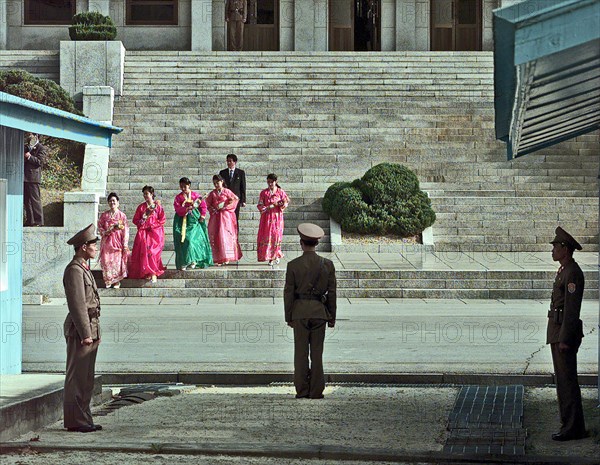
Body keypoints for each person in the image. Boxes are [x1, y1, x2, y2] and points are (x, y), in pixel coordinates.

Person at [284, 223, 336, 399]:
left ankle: (302, 389)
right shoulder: (327, 264)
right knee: (317, 353)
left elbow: (288, 293)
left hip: (299, 313)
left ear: (301, 242)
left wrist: (288, 316)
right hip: (319, 312)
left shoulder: (293, 265)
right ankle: (316, 391)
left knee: (300, 353)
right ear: (317, 243)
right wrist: (331, 316)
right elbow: (332, 293)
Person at [547, 226, 587, 441]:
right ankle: (569, 424)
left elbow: (572, 309)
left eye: (555, 246)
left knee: (567, 382)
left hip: (564, 334)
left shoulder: (572, 272)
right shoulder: (564, 269)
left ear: (565, 248)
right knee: (563, 382)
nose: (552, 250)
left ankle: (573, 428)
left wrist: (565, 338)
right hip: (557, 331)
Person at [63, 224, 102, 433]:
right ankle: (75, 420)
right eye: (93, 245)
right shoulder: (74, 270)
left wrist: (95, 333)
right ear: (84, 247)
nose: (96, 248)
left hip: (91, 328)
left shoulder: (83, 268)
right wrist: (86, 334)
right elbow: (77, 304)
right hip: (81, 330)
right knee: (76, 377)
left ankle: (84, 418)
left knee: (86, 378)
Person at [173, 177, 213, 271]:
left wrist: (202, 216)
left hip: (193, 220)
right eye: (181, 186)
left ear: (189, 185)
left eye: (185, 186)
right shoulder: (178, 197)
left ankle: (193, 259)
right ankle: (184, 261)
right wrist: (186, 209)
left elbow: (203, 205)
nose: (183, 188)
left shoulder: (195, 195)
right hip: (181, 220)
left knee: (192, 240)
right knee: (183, 240)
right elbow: (177, 208)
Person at [128, 186, 166, 283]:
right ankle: (146, 272)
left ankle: (153, 272)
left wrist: (153, 225)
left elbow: (162, 219)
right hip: (144, 233)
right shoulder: (141, 207)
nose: (145, 196)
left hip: (155, 233)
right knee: (144, 252)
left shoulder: (158, 207)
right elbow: (135, 220)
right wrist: (142, 220)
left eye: (147, 194)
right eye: (144, 194)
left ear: (152, 194)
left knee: (152, 252)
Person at [206, 174, 242, 266]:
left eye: (217, 182)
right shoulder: (212, 193)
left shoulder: (227, 191)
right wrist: (213, 209)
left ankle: (227, 256)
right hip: (216, 218)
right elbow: (207, 204)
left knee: (225, 235)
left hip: (225, 217)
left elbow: (235, 199)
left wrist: (226, 206)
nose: (216, 185)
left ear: (222, 182)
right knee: (216, 235)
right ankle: (218, 257)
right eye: (214, 183)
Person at [98, 193, 129, 288]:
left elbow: (126, 230)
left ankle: (116, 281)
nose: (112, 203)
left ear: (118, 203)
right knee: (106, 260)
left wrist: (125, 243)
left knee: (116, 260)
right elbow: (100, 226)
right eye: (110, 201)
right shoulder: (104, 215)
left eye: (114, 201)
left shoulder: (122, 215)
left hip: (117, 241)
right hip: (107, 241)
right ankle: (108, 280)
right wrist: (105, 231)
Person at [257, 173, 289, 266]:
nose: (270, 184)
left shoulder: (280, 192)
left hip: (277, 217)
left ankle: (276, 255)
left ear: (276, 182)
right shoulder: (264, 193)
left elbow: (286, 201)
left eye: (272, 182)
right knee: (268, 236)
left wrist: (281, 204)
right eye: (268, 182)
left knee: (276, 236)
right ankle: (270, 257)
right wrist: (265, 208)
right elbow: (260, 204)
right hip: (267, 217)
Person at [23, 132, 47, 226]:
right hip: (24, 177)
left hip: (33, 178)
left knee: (35, 200)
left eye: (31, 135)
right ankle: (30, 220)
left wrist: (29, 156)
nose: (29, 137)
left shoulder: (41, 148)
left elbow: (40, 162)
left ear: (36, 136)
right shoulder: (26, 147)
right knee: (26, 201)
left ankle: (39, 221)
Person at [219, 153, 246, 226]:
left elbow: (243, 187)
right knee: (225, 218)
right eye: (227, 161)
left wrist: (243, 200)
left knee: (235, 218)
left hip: (235, 199)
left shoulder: (240, 173)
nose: (228, 163)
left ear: (235, 162)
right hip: (225, 199)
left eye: (230, 161)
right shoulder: (222, 172)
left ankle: (235, 236)